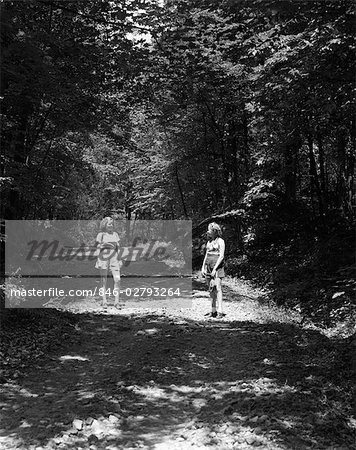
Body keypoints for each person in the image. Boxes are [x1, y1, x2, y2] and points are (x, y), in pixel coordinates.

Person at [95, 217, 122, 308]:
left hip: (114, 257)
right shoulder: (101, 235)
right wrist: (99, 261)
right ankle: (104, 301)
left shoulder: (115, 234)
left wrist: (120, 259)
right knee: (104, 280)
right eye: (109, 224)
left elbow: (118, 248)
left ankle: (117, 302)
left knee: (117, 279)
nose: (111, 225)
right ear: (104, 224)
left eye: (112, 224)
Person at [201, 222, 225, 318]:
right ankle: (213, 310)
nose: (208, 232)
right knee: (211, 288)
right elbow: (206, 255)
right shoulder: (209, 242)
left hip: (217, 266)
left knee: (218, 288)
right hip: (208, 266)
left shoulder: (220, 241)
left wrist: (215, 269)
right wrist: (203, 267)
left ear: (214, 231)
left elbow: (221, 256)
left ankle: (220, 311)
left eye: (210, 230)